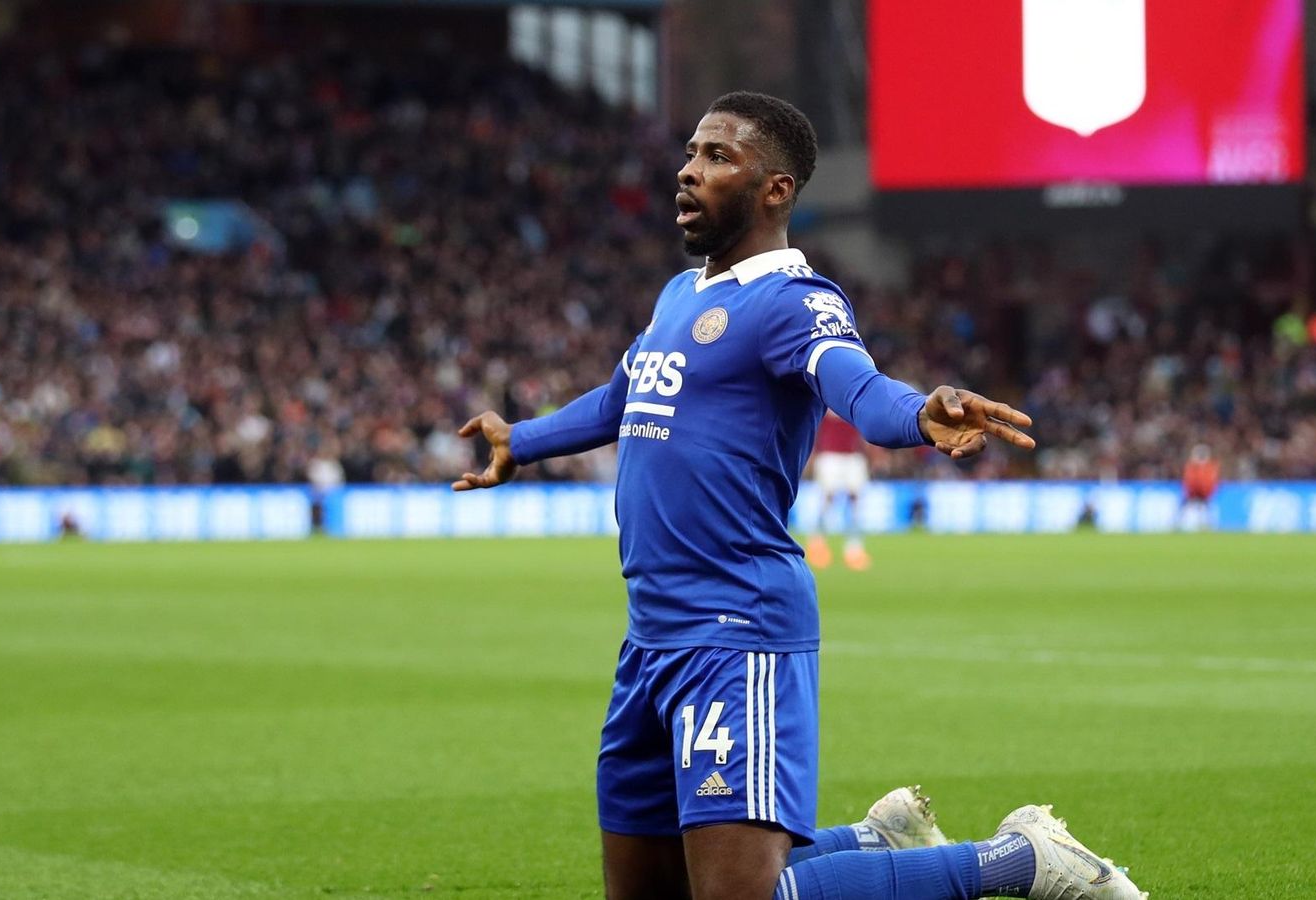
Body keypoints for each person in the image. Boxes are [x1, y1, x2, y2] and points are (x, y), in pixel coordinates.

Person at [455, 92, 1147, 900]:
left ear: (776, 190)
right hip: (650, 637)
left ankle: (1023, 859)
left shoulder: (793, 300)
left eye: (718, 157)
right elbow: (620, 399)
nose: (688, 169)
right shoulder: (681, 295)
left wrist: (921, 412)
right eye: (690, 152)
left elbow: (856, 385)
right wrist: (521, 441)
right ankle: (874, 838)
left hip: (736, 630)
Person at [805, 411, 872, 570]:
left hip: (853, 456)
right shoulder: (828, 396)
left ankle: (854, 548)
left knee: (856, 502)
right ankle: (817, 543)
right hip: (830, 456)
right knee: (827, 500)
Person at [1180, 444, 1219, 531]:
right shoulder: (1194, 467)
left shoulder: (1206, 467)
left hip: (1201, 496)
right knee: (1193, 513)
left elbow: (1190, 481)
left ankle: (1207, 527)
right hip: (1195, 495)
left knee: (1204, 513)